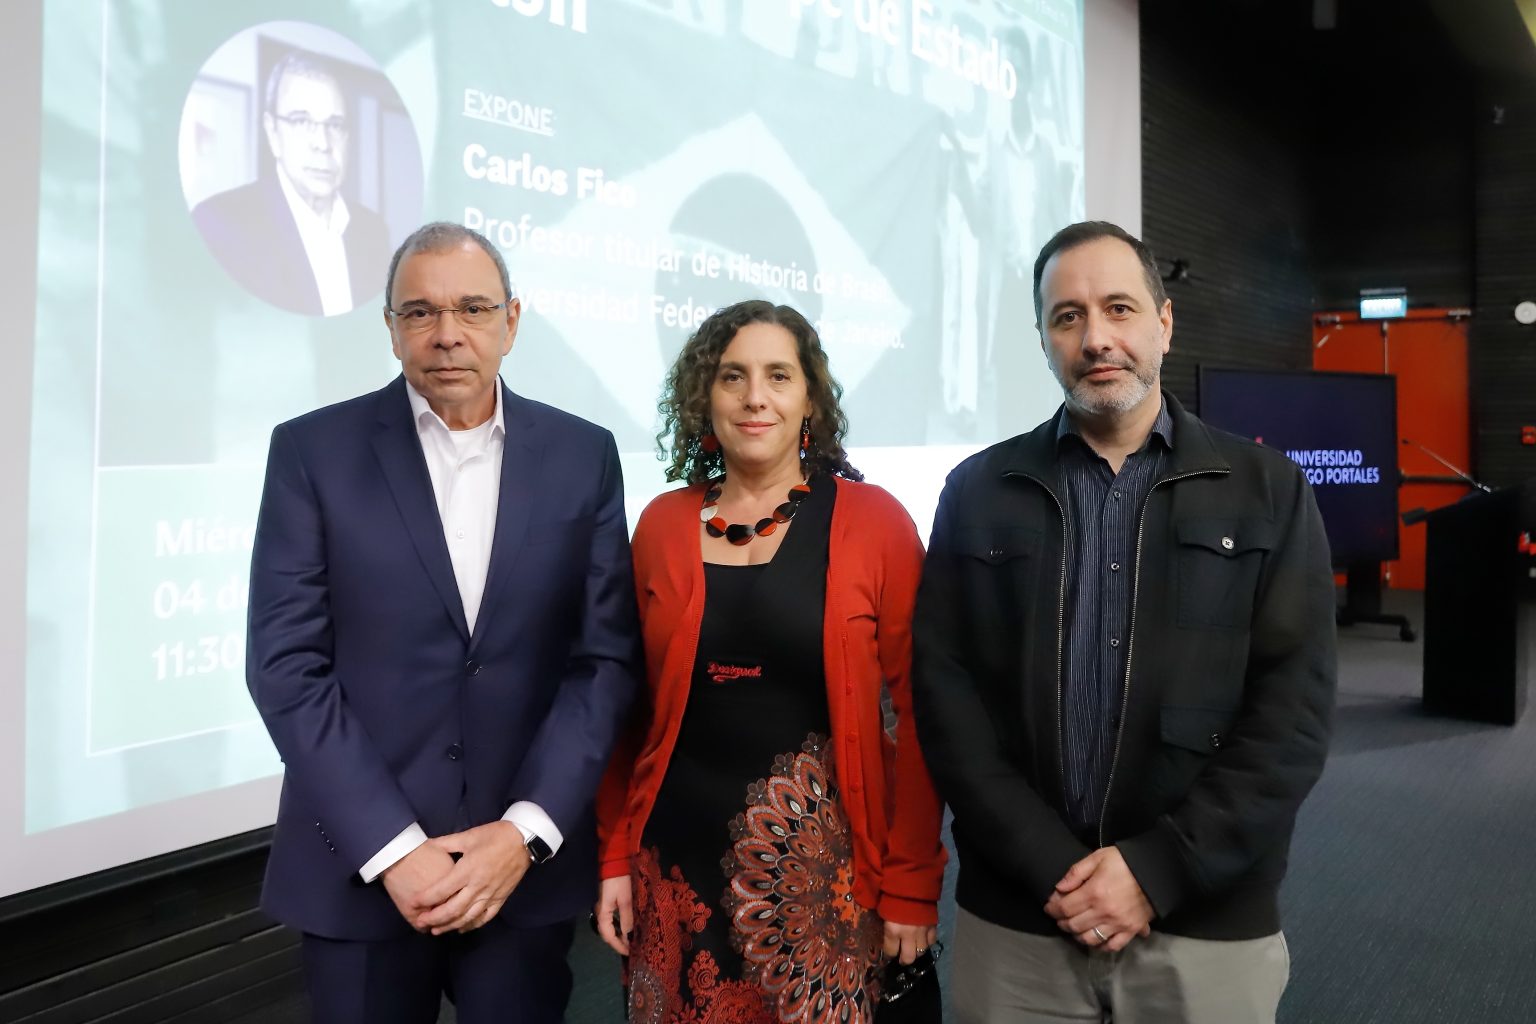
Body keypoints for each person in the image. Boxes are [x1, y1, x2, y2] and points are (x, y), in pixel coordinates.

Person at [912, 221, 1336, 1023]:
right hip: (1023, 916)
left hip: (1204, 916)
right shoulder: (978, 491)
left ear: (1164, 323)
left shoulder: (1269, 491)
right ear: (1043, 339)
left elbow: (1294, 713)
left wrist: (1158, 870)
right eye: (1067, 316)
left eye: (1119, 308)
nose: (1096, 338)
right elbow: (946, 697)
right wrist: (1048, 864)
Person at [245, 221, 638, 1023]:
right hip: (360, 872)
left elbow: (603, 661)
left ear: (511, 322)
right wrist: (394, 850)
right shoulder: (312, 452)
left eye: (473, 308)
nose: (447, 333)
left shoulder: (583, 455)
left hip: (519, 877)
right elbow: (285, 664)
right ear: (391, 329)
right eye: (420, 312)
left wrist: (523, 832)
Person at [594, 300, 947, 1022]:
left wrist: (913, 881)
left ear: (810, 398)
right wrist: (614, 855)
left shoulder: (875, 522)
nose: (755, 396)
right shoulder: (660, 525)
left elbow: (924, 716)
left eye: (778, 376)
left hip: (829, 886)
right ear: (705, 398)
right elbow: (624, 710)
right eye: (733, 376)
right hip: (675, 876)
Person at [193, 51, 390, 316]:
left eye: (335, 125)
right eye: (301, 121)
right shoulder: (221, 224)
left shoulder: (373, 231)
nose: (322, 143)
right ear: (272, 132)